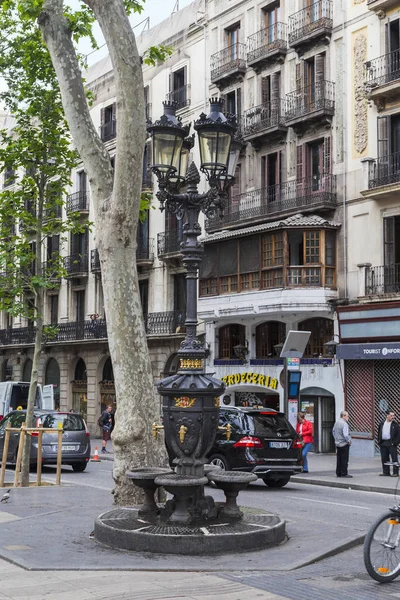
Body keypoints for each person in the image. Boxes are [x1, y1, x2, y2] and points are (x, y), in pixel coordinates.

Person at [378, 410, 400, 477]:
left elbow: (398, 435)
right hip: (383, 442)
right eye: (391, 415)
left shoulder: (395, 425)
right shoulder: (382, 423)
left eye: (393, 415)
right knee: (384, 458)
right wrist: (379, 441)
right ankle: (386, 472)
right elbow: (379, 432)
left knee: (394, 458)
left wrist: (395, 443)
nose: (393, 417)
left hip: (391, 443)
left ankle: (395, 472)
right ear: (387, 415)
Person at [332, 410, 353, 478]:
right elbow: (346, 434)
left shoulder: (337, 422)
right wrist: (349, 440)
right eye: (347, 416)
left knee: (339, 459)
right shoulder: (344, 424)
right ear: (343, 416)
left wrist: (336, 439)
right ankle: (344, 473)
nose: (348, 417)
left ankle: (338, 472)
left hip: (338, 443)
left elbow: (333, 431)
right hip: (344, 444)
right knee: (344, 459)